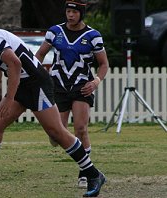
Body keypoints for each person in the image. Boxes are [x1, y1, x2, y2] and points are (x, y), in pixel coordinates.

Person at [0, 13, 106, 197]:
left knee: (56, 132)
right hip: (21, 84)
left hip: (36, 83)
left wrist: (9, 98)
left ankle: (94, 174)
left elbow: (14, 64)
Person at [35, 0, 109, 188]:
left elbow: (103, 64)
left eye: (74, 12)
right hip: (58, 85)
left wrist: (95, 82)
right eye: (68, 11)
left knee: (81, 128)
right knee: (56, 134)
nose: (70, 15)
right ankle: (66, 146)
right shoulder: (55, 31)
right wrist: (35, 72)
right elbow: (40, 54)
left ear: (81, 14)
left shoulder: (93, 35)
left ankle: (85, 173)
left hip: (81, 86)